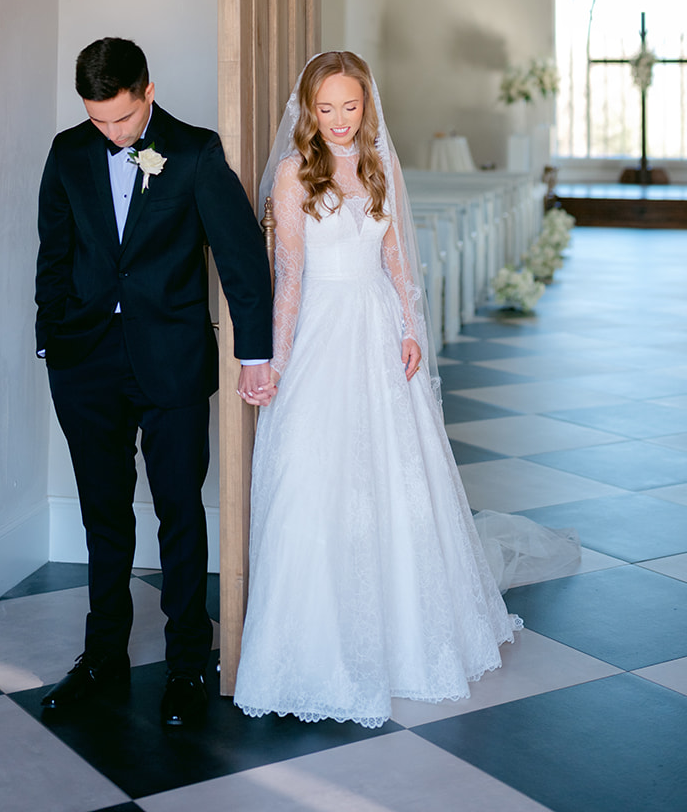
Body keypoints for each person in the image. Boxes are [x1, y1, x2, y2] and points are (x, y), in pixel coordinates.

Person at [233, 50, 577, 728]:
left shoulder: (379, 164)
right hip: (321, 337)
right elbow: (290, 280)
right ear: (308, 110)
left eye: (349, 106)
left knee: (393, 476)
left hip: (379, 327)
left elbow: (396, 259)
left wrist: (410, 323)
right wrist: (272, 360)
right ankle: (310, 649)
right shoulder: (290, 175)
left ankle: (406, 639)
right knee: (317, 478)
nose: (336, 120)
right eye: (324, 108)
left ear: (367, 105)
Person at [35, 37, 274, 726]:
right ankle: (102, 653)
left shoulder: (195, 151)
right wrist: (54, 339)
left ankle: (185, 666)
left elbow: (240, 260)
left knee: (177, 513)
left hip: (169, 362)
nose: (108, 132)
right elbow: (53, 253)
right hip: (85, 363)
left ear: (147, 91)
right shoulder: (67, 152)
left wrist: (253, 354)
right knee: (103, 516)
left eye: (120, 118)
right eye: (96, 118)